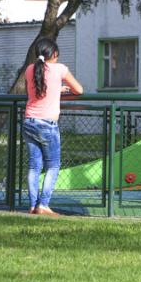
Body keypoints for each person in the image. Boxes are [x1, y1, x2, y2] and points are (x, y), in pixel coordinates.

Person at [23, 38, 83, 216]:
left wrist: (57, 89)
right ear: (54, 54)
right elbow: (79, 90)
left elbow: (38, 89)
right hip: (47, 123)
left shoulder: (29, 69)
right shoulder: (60, 69)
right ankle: (44, 205)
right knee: (53, 166)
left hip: (29, 120)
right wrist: (61, 89)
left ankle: (33, 206)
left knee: (34, 167)